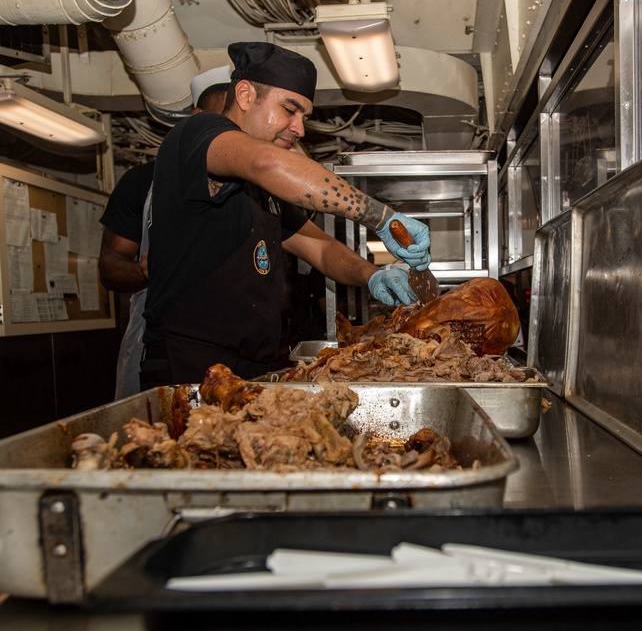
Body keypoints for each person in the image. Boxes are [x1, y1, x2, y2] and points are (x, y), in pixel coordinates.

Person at [139, 41, 429, 388]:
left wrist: (372, 276)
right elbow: (264, 162)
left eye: (304, 117)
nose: (300, 128)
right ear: (245, 95)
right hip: (189, 367)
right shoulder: (197, 135)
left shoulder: (264, 190)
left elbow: (318, 247)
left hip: (251, 367)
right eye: (289, 110)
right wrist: (381, 218)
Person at [99, 70, 231, 399]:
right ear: (198, 120)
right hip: (161, 349)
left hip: (231, 345)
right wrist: (143, 270)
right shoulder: (142, 182)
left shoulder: (251, 187)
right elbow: (109, 266)